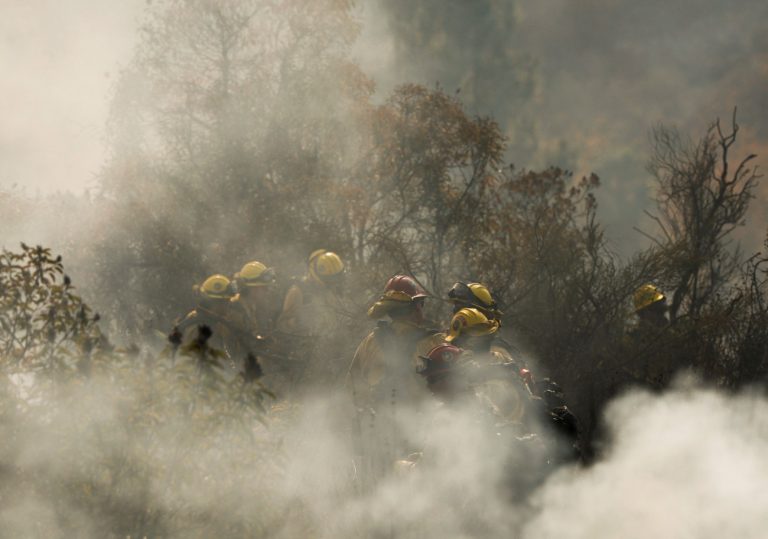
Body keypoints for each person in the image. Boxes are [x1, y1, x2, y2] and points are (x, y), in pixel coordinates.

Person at [346, 274, 445, 409]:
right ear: (416, 308)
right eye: (421, 303)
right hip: (420, 423)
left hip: (376, 422)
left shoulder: (369, 342)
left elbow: (352, 387)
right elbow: (454, 384)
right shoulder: (433, 342)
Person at [171, 274, 256, 372]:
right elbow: (195, 367)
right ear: (214, 302)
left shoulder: (213, 323)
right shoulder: (199, 329)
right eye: (225, 302)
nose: (228, 307)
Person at [275, 249, 347, 338]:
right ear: (316, 273)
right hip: (307, 345)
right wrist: (299, 321)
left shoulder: (332, 291)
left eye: (336, 278)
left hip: (332, 342)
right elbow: (282, 325)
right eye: (331, 279)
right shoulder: (297, 292)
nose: (334, 283)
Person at [232, 260, 277, 336]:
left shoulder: (252, 307)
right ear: (252, 288)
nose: (267, 291)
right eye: (264, 288)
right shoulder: (235, 311)